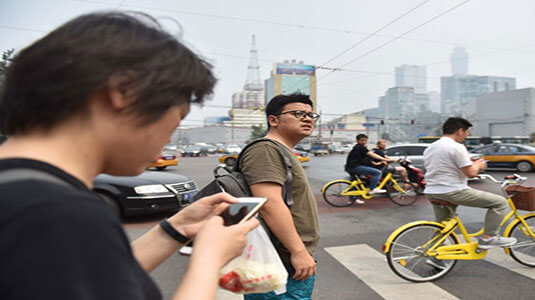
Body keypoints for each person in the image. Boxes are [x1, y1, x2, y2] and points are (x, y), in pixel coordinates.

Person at [0, 12, 258, 300]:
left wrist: (173, 230)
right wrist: (209, 259)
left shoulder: (23, 195)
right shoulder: (58, 214)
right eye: (178, 116)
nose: (170, 136)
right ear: (125, 91)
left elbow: (97, 280)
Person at [239, 93, 320, 299]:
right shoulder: (265, 149)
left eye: (311, 115)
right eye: (298, 113)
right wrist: (298, 252)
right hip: (278, 260)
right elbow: (269, 203)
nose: (308, 119)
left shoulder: (282, 150)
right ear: (273, 120)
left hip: (282, 258)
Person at [423, 118, 517, 250]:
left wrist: (469, 164)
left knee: (443, 225)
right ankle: (489, 238)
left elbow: (446, 166)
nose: (467, 135)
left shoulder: (431, 147)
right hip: (453, 190)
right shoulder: (456, 147)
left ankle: (434, 255)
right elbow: (471, 173)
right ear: (460, 131)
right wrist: (478, 165)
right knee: (500, 203)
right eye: (467, 132)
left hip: (432, 191)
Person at [345, 134, 393, 202]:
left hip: (351, 167)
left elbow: (369, 156)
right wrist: (384, 159)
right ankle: (372, 189)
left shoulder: (358, 147)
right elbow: (372, 155)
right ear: (357, 140)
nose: (364, 142)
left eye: (365, 140)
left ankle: (351, 199)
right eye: (362, 140)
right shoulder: (360, 147)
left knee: (354, 183)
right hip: (355, 167)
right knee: (377, 172)